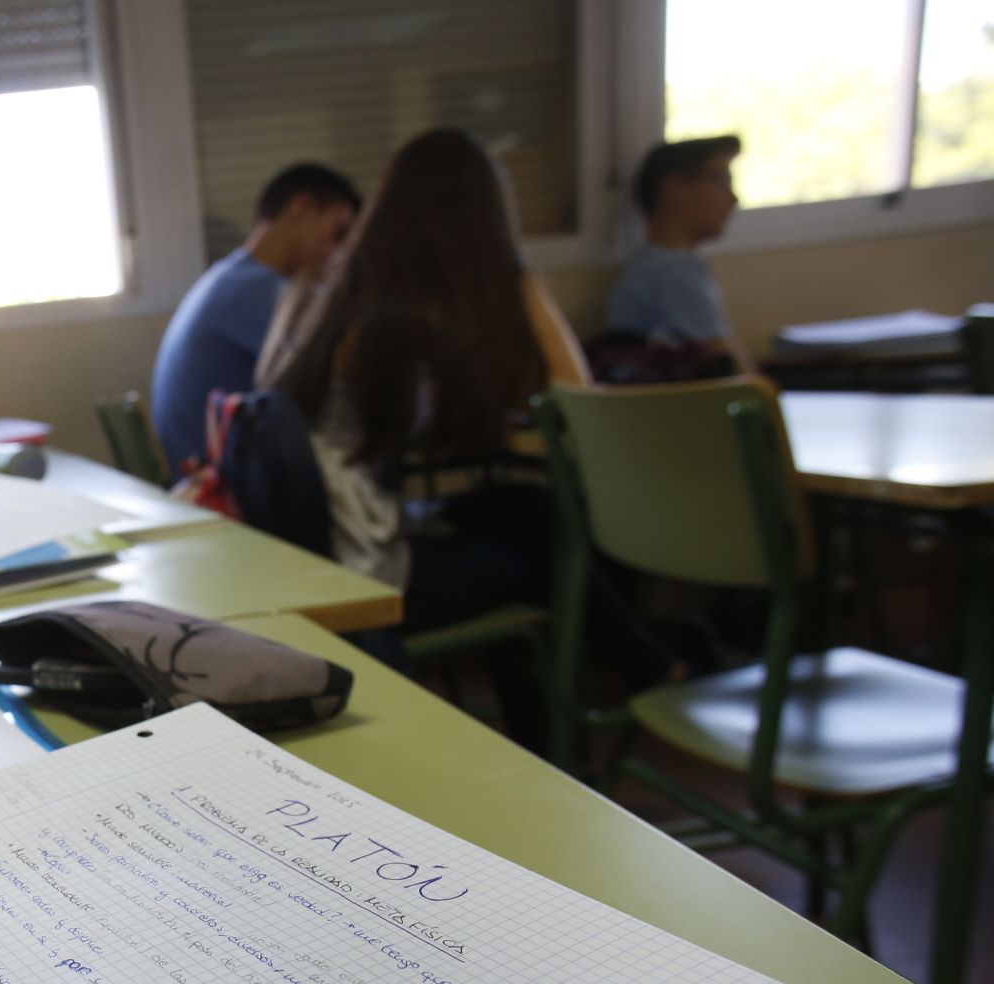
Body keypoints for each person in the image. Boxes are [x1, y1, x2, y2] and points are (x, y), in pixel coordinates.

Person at [259, 128, 675, 748]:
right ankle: (605, 713)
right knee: (545, 552)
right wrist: (519, 281)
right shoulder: (435, 299)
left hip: (317, 550)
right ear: (486, 217)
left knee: (521, 512)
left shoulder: (347, 289)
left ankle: (638, 682)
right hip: (367, 570)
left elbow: (392, 428)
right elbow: (578, 401)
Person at [150, 162, 360, 476]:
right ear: (301, 207)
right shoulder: (259, 291)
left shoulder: (229, 277)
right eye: (337, 233)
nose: (337, 253)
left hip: (205, 470)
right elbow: (334, 374)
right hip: (223, 483)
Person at [603, 136, 755, 374]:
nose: (733, 198)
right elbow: (735, 375)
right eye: (721, 180)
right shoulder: (671, 272)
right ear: (674, 189)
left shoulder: (667, 264)